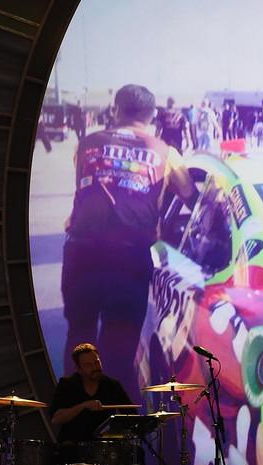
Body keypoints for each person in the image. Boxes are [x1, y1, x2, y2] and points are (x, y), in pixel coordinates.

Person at [61, 84, 196, 404]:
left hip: (81, 253)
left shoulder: (86, 144)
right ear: (151, 117)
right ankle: (116, 424)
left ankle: (74, 411)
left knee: (78, 334)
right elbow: (189, 195)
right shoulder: (165, 152)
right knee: (119, 346)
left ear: (116, 111)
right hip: (130, 258)